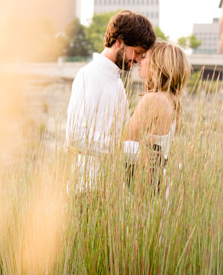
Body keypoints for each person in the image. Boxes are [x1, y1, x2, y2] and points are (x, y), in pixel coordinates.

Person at [65, 10, 156, 191]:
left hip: (110, 190)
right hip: (87, 189)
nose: (137, 60)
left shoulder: (117, 83)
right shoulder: (89, 75)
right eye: (136, 52)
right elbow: (75, 136)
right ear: (119, 42)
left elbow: (120, 137)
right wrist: (128, 150)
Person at [123, 41, 191, 191]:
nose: (139, 60)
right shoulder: (171, 100)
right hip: (158, 182)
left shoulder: (153, 99)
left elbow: (125, 143)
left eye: (144, 56)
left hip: (141, 184)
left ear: (158, 65)